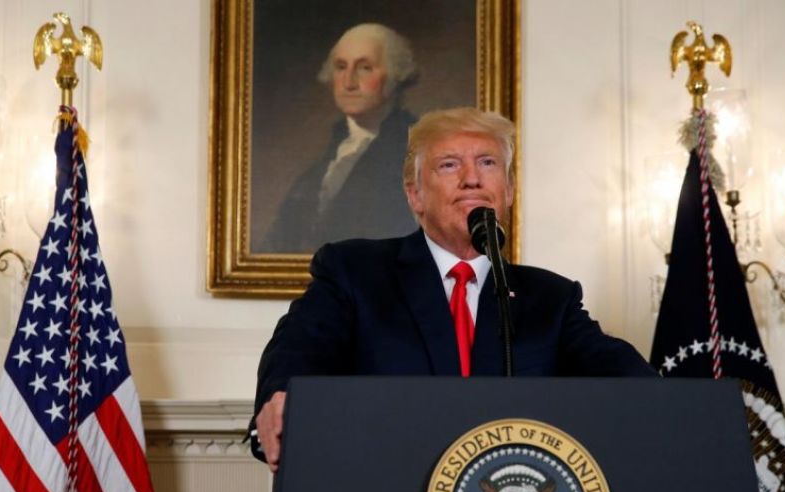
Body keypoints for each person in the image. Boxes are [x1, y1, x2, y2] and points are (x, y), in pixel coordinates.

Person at [251, 107, 657, 471]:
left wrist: (673, 407)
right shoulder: (355, 272)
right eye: (449, 165)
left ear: (509, 191)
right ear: (415, 195)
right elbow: (298, 348)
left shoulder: (550, 298)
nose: (471, 179)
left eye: (487, 162)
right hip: (387, 487)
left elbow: (622, 374)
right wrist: (282, 397)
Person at [261, 23, 419, 253]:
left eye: (365, 68)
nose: (348, 82)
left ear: (396, 75)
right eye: (341, 67)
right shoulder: (326, 160)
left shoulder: (417, 149)